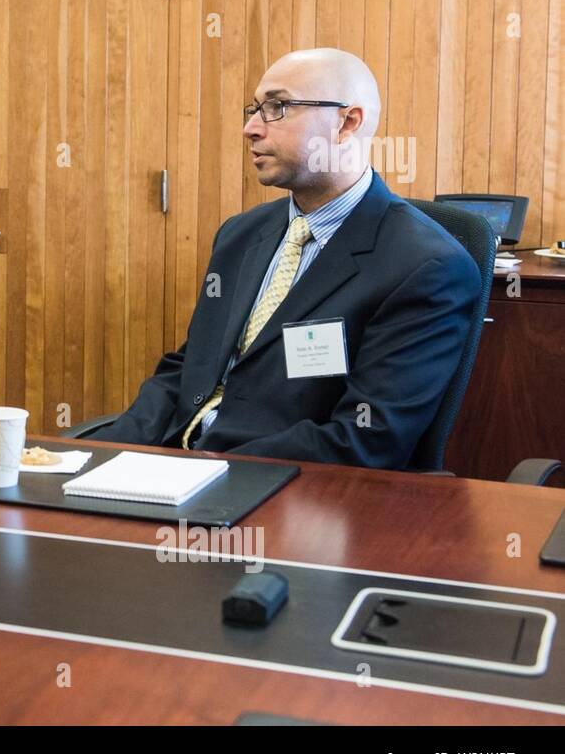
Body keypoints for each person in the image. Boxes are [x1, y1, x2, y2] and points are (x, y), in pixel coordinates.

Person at [94, 48, 481, 469]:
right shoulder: (241, 234)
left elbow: (366, 439)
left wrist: (205, 470)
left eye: (277, 107)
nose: (250, 128)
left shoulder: (426, 266)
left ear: (347, 122)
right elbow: (190, 368)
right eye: (254, 108)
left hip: (289, 494)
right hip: (173, 472)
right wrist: (103, 454)